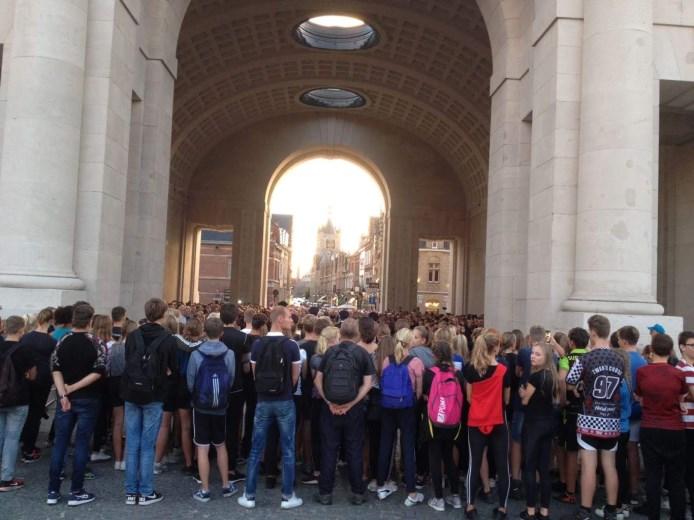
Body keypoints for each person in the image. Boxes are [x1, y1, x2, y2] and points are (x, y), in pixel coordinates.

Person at [238, 305, 302, 510]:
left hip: (263, 401)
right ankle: (287, 496)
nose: (291, 321)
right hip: (284, 400)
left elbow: (255, 374)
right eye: (289, 318)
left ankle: (249, 495)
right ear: (280, 320)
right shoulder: (291, 345)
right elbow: (295, 377)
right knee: (288, 448)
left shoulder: (258, 344)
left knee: (257, 449)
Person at [564, 315, 625, 520]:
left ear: (592, 332)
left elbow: (570, 381)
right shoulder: (619, 358)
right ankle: (610, 508)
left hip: (590, 417)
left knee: (589, 465)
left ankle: (585, 510)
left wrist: (580, 388)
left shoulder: (587, 358)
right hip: (612, 419)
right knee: (610, 465)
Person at [121, 298, 178, 506]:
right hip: (154, 395)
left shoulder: (133, 335)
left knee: (132, 442)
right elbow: (173, 369)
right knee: (147, 445)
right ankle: (145, 491)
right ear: (163, 314)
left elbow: (128, 362)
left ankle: (130, 491)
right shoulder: (169, 339)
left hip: (131, 392)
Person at [47, 303, 105, 506]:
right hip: (88, 397)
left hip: (66, 397)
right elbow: (98, 371)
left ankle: (53, 490)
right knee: (81, 443)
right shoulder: (96, 342)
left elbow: (55, 367)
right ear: (90, 321)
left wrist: (64, 392)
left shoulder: (62, 340)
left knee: (60, 444)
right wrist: (72, 389)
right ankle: (76, 490)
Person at [314, 318, 375, 506]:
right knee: (354, 449)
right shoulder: (362, 354)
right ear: (357, 333)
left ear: (340, 333)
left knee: (329, 449)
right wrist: (351, 403)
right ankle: (357, 492)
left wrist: (329, 401)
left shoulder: (330, 352)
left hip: (330, 408)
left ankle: (325, 493)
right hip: (353, 410)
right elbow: (368, 384)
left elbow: (318, 380)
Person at [636, 333, 693, 520]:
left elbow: (638, 395)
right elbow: (682, 396)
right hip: (674, 428)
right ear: (671, 351)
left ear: (652, 350)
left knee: (653, 476)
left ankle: (653, 515)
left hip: (650, 426)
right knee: (676, 477)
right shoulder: (678, 373)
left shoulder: (643, 372)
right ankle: (678, 516)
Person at [187, 317, 236, 502]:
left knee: (202, 447)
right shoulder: (229, 354)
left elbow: (191, 382)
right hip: (221, 405)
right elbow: (230, 379)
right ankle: (225, 484)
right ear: (222, 333)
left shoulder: (196, 354)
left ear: (204, 333)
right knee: (221, 445)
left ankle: (205, 489)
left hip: (201, 405)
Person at [463, 330, 511, 520]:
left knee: (474, 463)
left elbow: (469, 397)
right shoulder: (503, 370)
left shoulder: (470, 368)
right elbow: (506, 399)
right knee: (501, 466)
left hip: (476, 420)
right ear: (497, 347)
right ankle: (502, 508)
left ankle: (470, 506)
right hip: (498, 420)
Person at [375, 327, 425, 506]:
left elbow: (382, 381)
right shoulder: (416, 362)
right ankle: (411, 490)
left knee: (385, 444)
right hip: (407, 407)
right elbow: (418, 391)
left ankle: (381, 484)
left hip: (388, 406)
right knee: (408, 446)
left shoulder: (387, 360)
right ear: (410, 342)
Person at [519, 341, 558, 520]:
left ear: (546, 357)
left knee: (529, 467)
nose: (533, 356)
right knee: (544, 469)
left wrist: (522, 393)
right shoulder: (553, 376)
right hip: (548, 423)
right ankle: (544, 511)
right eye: (532, 353)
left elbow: (525, 401)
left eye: (538, 354)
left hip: (534, 425)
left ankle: (530, 510)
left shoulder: (535, 378)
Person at [425, 341, 465, 512]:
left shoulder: (430, 373)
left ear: (434, 355)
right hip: (453, 421)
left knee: (435, 457)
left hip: (434, 422)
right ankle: (455, 496)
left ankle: (438, 498)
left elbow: (424, 395)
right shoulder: (457, 374)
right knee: (449, 457)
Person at [0, 316, 36, 491]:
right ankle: (6, 478)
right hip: (18, 397)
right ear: (22, 329)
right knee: (12, 438)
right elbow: (32, 375)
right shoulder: (25, 349)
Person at [556, 327, 590, 505]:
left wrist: (562, 400)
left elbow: (562, 380)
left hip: (571, 409)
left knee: (571, 451)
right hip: (590, 410)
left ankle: (570, 490)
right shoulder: (592, 357)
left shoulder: (567, 358)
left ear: (571, 342)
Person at [18, 307, 55, 463]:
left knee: (24, 410)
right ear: (51, 321)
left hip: (26, 377)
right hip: (43, 377)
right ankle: (29, 447)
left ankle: (21, 441)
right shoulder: (51, 341)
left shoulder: (26, 337)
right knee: (36, 412)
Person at [304, 325, 340, 486]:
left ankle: (319, 469)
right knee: (332, 436)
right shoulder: (340, 356)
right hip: (338, 399)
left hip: (320, 400)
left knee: (318, 436)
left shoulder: (316, 359)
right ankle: (331, 467)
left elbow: (315, 380)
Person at [219, 303, 250, 483]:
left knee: (214, 426)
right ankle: (230, 467)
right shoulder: (243, 339)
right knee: (233, 427)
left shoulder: (214, 335)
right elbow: (246, 366)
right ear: (237, 317)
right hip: (236, 386)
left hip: (212, 387)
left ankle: (206, 464)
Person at [616, 325, 646, 504]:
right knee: (633, 449)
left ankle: (623, 491)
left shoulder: (622, 358)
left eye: (619, 338)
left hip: (624, 411)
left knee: (622, 454)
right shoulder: (642, 360)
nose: (618, 341)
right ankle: (634, 487)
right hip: (637, 409)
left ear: (625, 341)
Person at [109, 320, 136, 471]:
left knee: (117, 423)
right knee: (130, 423)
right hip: (129, 384)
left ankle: (117, 459)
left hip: (114, 383)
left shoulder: (114, 348)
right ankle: (125, 458)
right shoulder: (135, 349)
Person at [677, 330, 694, 518]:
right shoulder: (684, 368)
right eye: (692, 345)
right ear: (682, 347)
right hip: (688, 425)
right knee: (688, 467)